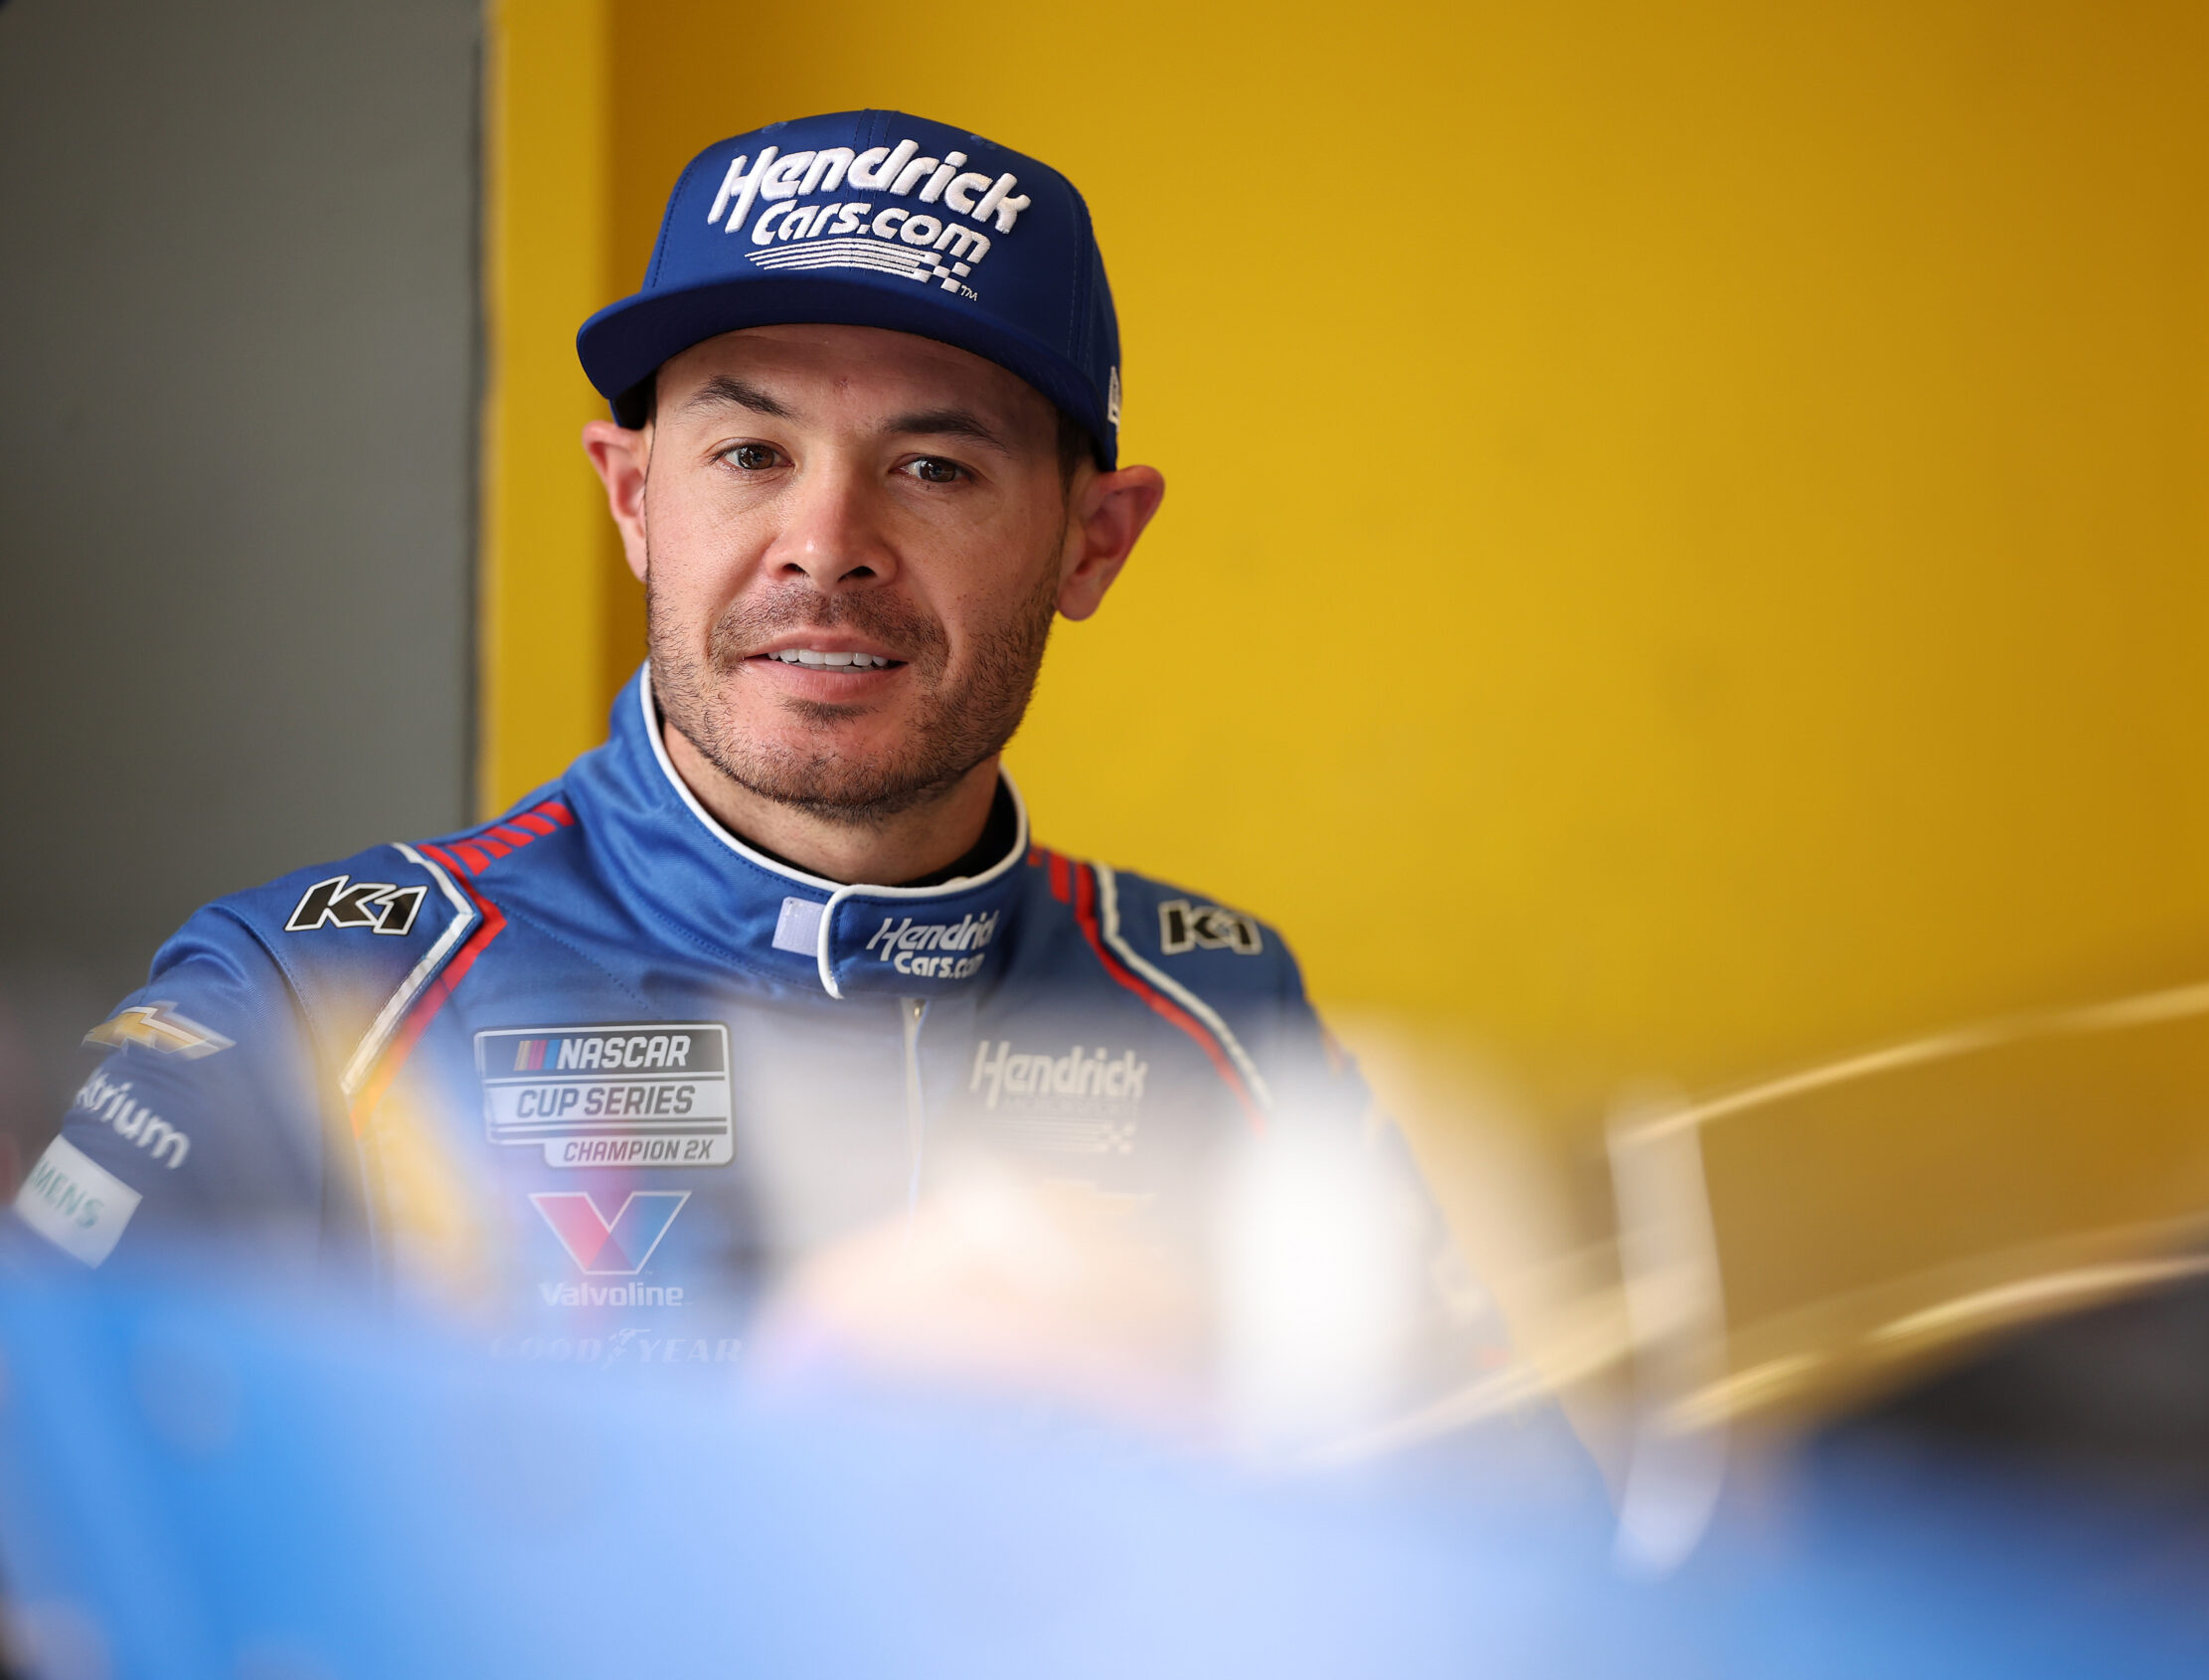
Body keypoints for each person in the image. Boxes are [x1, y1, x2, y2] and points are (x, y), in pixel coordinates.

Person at [9, 112, 1496, 1440]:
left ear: (1091, 542)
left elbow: (1486, 1504)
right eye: (749, 453)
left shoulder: (1223, 1011)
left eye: (934, 468)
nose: (825, 543)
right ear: (632, 496)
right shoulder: (310, 999)